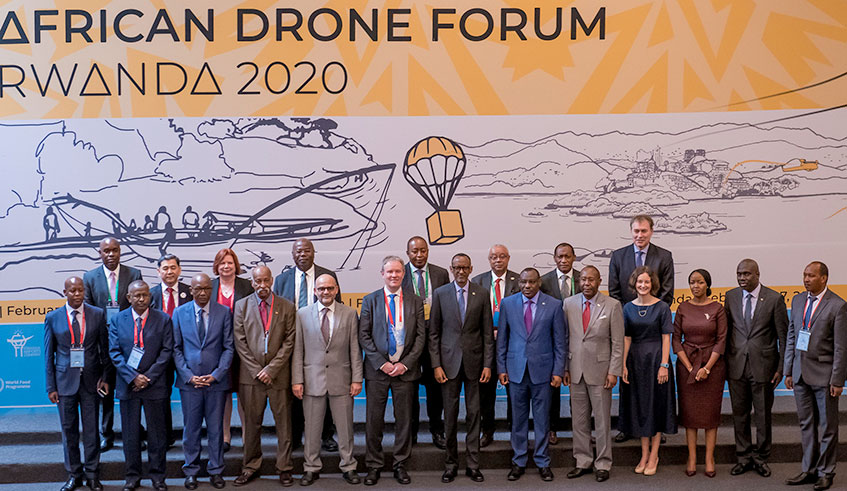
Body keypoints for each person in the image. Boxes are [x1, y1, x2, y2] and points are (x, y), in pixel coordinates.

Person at [359, 255, 426, 486]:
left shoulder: (416, 301)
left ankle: (400, 464)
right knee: (374, 421)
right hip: (377, 372)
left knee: (404, 421)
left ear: (403, 274)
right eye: (389, 272)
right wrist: (382, 363)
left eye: (398, 271)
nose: (394, 275)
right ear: (382, 274)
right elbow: (364, 336)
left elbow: (420, 337)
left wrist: (404, 364)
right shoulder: (370, 301)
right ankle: (374, 466)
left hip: (405, 371)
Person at [292, 274, 363, 486]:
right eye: (321, 288)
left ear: (336, 289)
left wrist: (357, 379)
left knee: (345, 428)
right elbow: (298, 350)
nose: (325, 292)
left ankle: (349, 465)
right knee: (312, 429)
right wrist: (297, 380)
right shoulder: (302, 315)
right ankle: (311, 468)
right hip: (312, 381)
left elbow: (355, 349)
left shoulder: (350, 314)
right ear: (315, 290)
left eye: (329, 288)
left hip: (342, 380)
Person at [608, 215, 673, 443]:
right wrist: (629, 312)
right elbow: (614, 292)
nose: (639, 235)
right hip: (627, 326)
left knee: (655, 388)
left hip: (653, 330)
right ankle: (627, 426)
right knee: (629, 383)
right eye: (636, 231)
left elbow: (667, 291)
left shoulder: (664, 256)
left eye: (644, 231)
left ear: (651, 231)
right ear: (631, 231)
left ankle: (656, 428)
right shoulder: (618, 256)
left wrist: (649, 310)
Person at [497, 268, 566, 482]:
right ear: (519, 283)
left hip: (543, 373)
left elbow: (560, 342)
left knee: (542, 420)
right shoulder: (508, 304)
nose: (527, 286)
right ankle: (518, 461)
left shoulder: (554, 305)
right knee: (517, 420)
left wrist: (558, 371)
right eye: (524, 282)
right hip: (515, 371)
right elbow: (502, 340)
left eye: (532, 282)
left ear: (539, 283)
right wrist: (501, 369)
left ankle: (542, 461)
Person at [429, 253, 494, 483]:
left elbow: (487, 334)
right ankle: (450, 464)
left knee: (475, 415)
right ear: (451, 268)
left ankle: (473, 464)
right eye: (457, 268)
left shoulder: (481, 293)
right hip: (447, 366)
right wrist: (436, 365)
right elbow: (434, 333)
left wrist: (488, 364)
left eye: (465, 268)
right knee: (451, 416)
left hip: (475, 365)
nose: (461, 271)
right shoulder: (441, 293)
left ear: (471, 269)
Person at [272, 238, 341, 452]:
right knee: (294, 390)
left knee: (324, 388)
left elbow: (338, 308)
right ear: (293, 255)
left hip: (322, 341)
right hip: (292, 342)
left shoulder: (327, 275)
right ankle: (295, 436)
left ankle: (326, 435)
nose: (303, 254)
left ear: (314, 252)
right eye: (298, 251)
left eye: (307, 250)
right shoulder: (282, 279)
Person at [45, 277, 112, 491]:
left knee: (92, 431)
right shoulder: (53, 317)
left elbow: (105, 350)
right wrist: (51, 386)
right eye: (72, 290)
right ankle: (74, 474)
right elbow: (48, 356)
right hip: (64, 384)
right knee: (69, 431)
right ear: (64, 292)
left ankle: (92, 474)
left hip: (91, 382)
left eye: (80, 290)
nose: (77, 294)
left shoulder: (97, 314)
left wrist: (106, 377)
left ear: (85, 291)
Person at [784, 262, 846, 491]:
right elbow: (792, 335)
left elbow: (841, 347)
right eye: (804, 275)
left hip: (825, 376)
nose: (806, 279)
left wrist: (838, 380)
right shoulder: (798, 300)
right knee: (805, 424)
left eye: (811, 275)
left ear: (824, 278)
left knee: (828, 426)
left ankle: (826, 471)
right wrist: (788, 370)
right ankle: (808, 469)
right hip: (800, 374)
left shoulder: (838, 306)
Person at [232, 266, 297, 487]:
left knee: (284, 425)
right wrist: (256, 370)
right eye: (257, 281)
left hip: (278, 377)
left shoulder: (287, 306)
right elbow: (240, 341)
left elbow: (289, 341)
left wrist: (271, 369)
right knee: (252, 425)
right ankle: (250, 466)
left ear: (271, 280)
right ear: (252, 282)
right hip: (250, 378)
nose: (262, 285)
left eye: (265, 280)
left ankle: (285, 468)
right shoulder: (241, 306)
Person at [724, 259, 787, 478]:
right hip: (736, 366)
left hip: (764, 368)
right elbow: (727, 332)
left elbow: (783, 337)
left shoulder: (774, 299)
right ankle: (743, 457)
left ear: (758, 274)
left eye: (747, 274)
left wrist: (781, 367)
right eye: (739, 274)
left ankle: (761, 457)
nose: (742, 278)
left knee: (762, 416)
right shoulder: (730, 297)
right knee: (739, 415)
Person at [108, 280, 173, 491]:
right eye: (137, 295)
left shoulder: (163, 319)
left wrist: (149, 377)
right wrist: (133, 377)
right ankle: (132, 477)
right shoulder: (118, 320)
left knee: (157, 435)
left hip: (155, 386)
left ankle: (157, 477)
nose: (141, 299)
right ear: (128, 297)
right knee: (130, 435)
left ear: (150, 296)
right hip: (128, 386)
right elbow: (114, 353)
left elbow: (166, 351)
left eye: (145, 295)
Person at [562, 266, 623, 483]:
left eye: (591, 280)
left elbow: (617, 343)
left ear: (599, 281)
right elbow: (565, 338)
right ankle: (583, 460)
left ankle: (603, 462)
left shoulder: (613, 305)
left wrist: (614, 371)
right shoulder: (568, 304)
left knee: (602, 420)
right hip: (575, 370)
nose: (587, 283)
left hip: (601, 372)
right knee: (579, 421)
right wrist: (565, 369)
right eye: (584, 280)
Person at [172, 273, 233, 490]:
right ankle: (191, 471)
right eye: (198, 289)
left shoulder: (224, 312)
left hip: (216, 383)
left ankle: (216, 470)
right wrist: (188, 376)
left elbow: (228, 347)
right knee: (192, 429)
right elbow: (176, 349)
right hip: (190, 383)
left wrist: (217, 374)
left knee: (216, 430)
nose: (202, 293)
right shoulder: (179, 313)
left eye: (206, 288)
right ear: (191, 290)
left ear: (212, 289)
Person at [83, 237, 143, 452]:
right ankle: (106, 434)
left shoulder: (133, 274)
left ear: (120, 252)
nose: (110, 254)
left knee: (132, 389)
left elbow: (138, 308)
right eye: (106, 251)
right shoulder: (89, 277)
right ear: (100, 253)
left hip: (128, 342)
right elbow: (88, 311)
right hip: (100, 342)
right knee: (104, 388)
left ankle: (136, 431)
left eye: (114, 250)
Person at [618, 266, 676, 476]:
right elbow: (626, 338)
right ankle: (644, 454)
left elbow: (666, 337)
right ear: (635, 283)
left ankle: (654, 455)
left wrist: (664, 365)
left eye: (647, 282)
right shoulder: (627, 308)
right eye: (640, 282)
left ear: (653, 284)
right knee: (640, 407)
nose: (643, 285)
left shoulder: (662, 307)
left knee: (656, 406)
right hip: (635, 363)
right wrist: (622, 364)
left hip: (656, 362)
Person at [673, 269, 727, 477]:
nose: (696, 286)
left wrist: (706, 368)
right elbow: (676, 339)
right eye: (692, 282)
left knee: (710, 415)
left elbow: (721, 339)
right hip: (687, 365)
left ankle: (709, 458)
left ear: (708, 284)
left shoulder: (717, 308)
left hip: (712, 367)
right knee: (690, 414)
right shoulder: (683, 307)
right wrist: (689, 367)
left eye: (700, 282)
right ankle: (692, 457)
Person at [402, 236, 450, 449]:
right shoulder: (399, 274)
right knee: (409, 389)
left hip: (434, 339)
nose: (419, 255)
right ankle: (410, 433)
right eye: (415, 251)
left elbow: (448, 305)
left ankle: (436, 430)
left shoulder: (441, 273)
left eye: (423, 250)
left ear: (428, 251)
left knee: (435, 389)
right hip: (409, 341)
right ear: (408, 253)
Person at [470, 244, 519, 447]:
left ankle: (514, 430)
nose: (498, 260)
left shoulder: (520, 280)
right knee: (486, 392)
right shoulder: (478, 281)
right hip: (485, 345)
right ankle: (487, 430)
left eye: (501, 257)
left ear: (508, 258)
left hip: (512, 343)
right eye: (493, 257)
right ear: (489, 260)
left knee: (514, 392)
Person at [211, 248, 254, 452]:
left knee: (245, 394)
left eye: (229, 263)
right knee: (224, 393)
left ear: (236, 265)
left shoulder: (247, 286)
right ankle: (226, 435)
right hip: (218, 348)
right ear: (216, 266)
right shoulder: (209, 287)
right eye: (222, 263)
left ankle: (247, 436)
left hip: (243, 347)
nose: (226, 266)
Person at [149, 254, 193, 449]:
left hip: (186, 352)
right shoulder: (150, 295)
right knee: (161, 396)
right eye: (165, 268)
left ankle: (192, 436)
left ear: (179, 270)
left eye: (173, 267)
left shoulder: (190, 292)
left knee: (191, 395)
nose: (169, 272)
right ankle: (164, 437)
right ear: (158, 272)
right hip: (161, 354)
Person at [539, 242, 580, 445]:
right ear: (554, 258)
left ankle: (579, 429)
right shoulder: (544, 281)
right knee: (552, 388)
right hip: (551, 341)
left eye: (567, 256)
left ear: (574, 257)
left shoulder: (583, 279)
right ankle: (551, 428)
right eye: (560, 257)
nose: (563, 260)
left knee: (578, 388)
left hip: (579, 339)